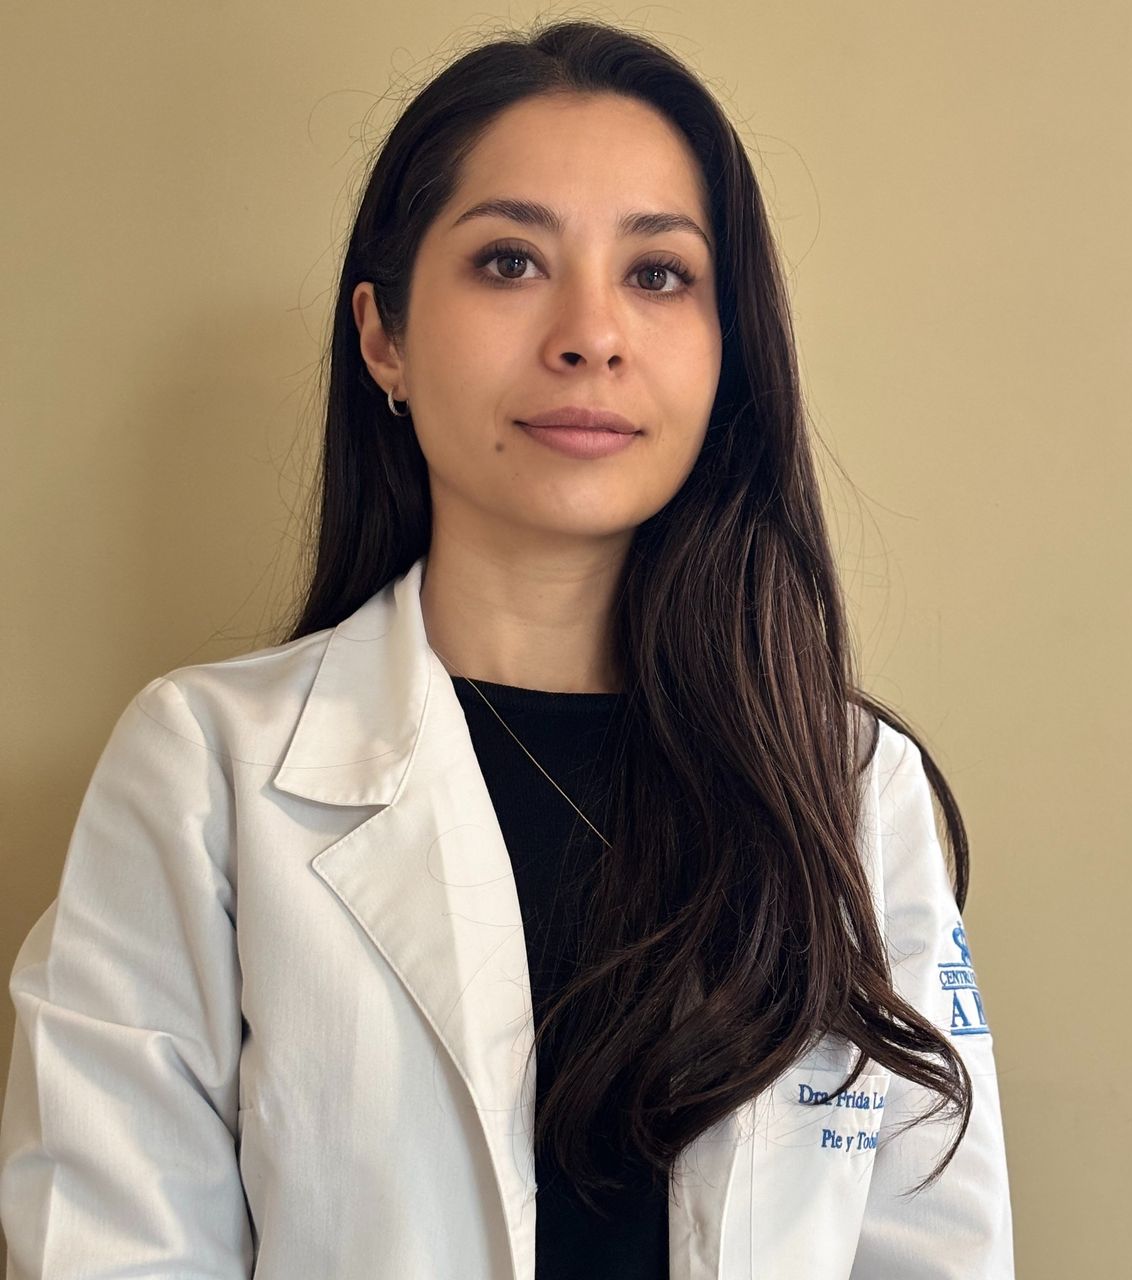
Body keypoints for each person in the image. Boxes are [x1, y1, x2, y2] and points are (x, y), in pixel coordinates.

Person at [0, 17, 1014, 1279]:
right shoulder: (205, 770)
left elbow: (935, 1250)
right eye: (509, 261)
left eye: (658, 275)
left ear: (727, 352)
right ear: (384, 337)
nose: (590, 333)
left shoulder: (852, 790)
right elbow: (107, 1247)